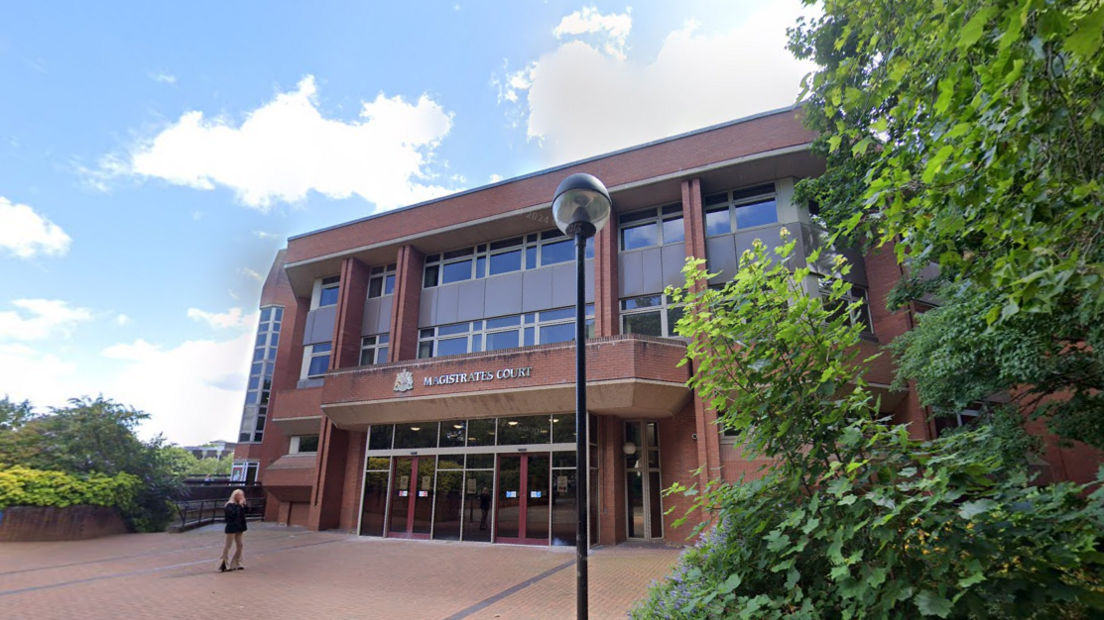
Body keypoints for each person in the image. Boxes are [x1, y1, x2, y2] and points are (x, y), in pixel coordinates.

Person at [219, 489, 248, 572]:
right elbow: (232, 515)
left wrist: (244, 506)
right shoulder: (229, 505)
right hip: (232, 527)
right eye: (239, 495)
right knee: (228, 545)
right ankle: (224, 563)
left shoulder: (241, 505)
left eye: (242, 495)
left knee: (240, 545)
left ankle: (237, 563)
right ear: (235, 496)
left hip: (240, 527)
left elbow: (246, 512)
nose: (241, 497)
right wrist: (239, 506)